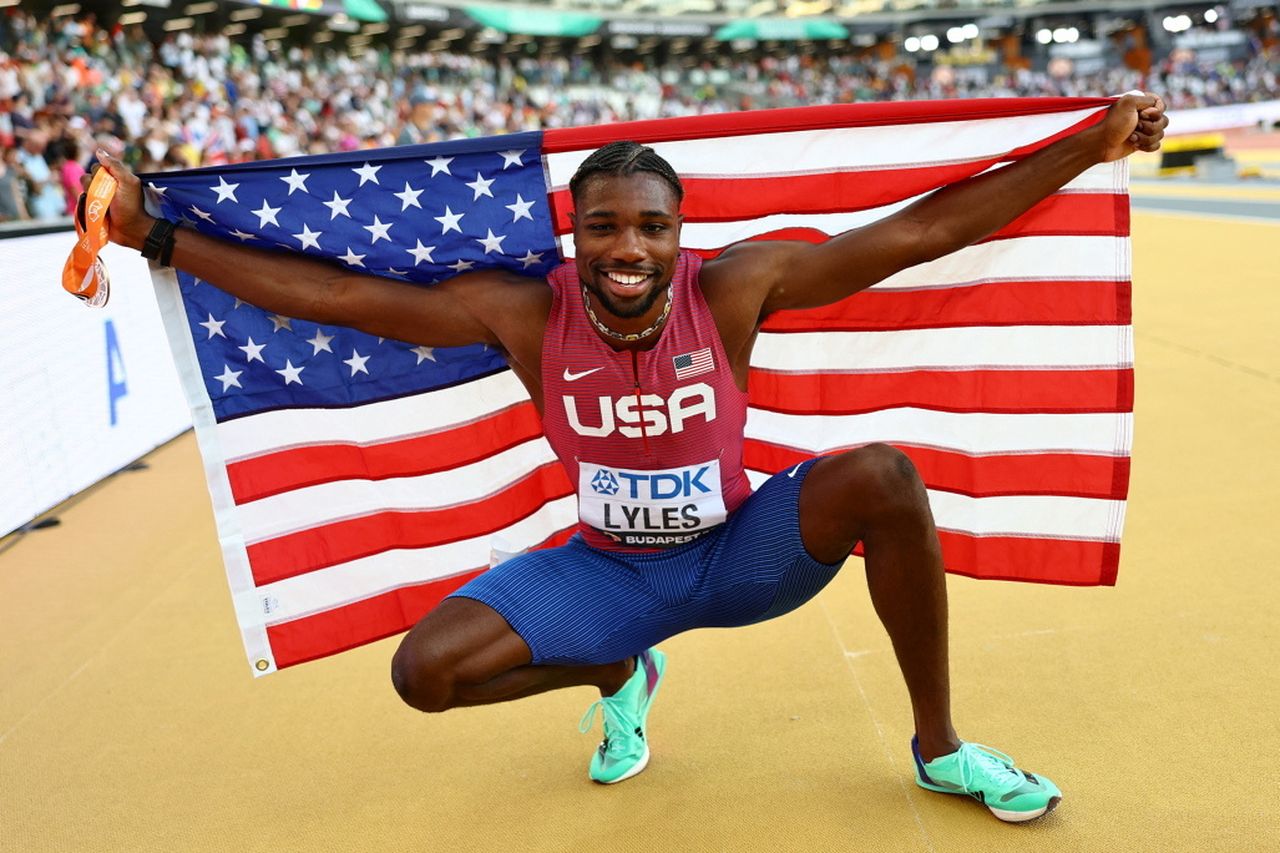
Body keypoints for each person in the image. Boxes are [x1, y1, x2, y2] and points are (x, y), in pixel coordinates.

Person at [88, 92, 1167, 823]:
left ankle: (939, 745)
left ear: (678, 230)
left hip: (743, 554)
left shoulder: (733, 286)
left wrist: (1088, 145)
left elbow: (916, 235)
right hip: (604, 572)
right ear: (573, 232)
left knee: (883, 475)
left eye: (648, 228)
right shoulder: (520, 310)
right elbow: (337, 299)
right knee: (423, 674)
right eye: (602, 227)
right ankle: (616, 668)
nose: (625, 251)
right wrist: (158, 237)